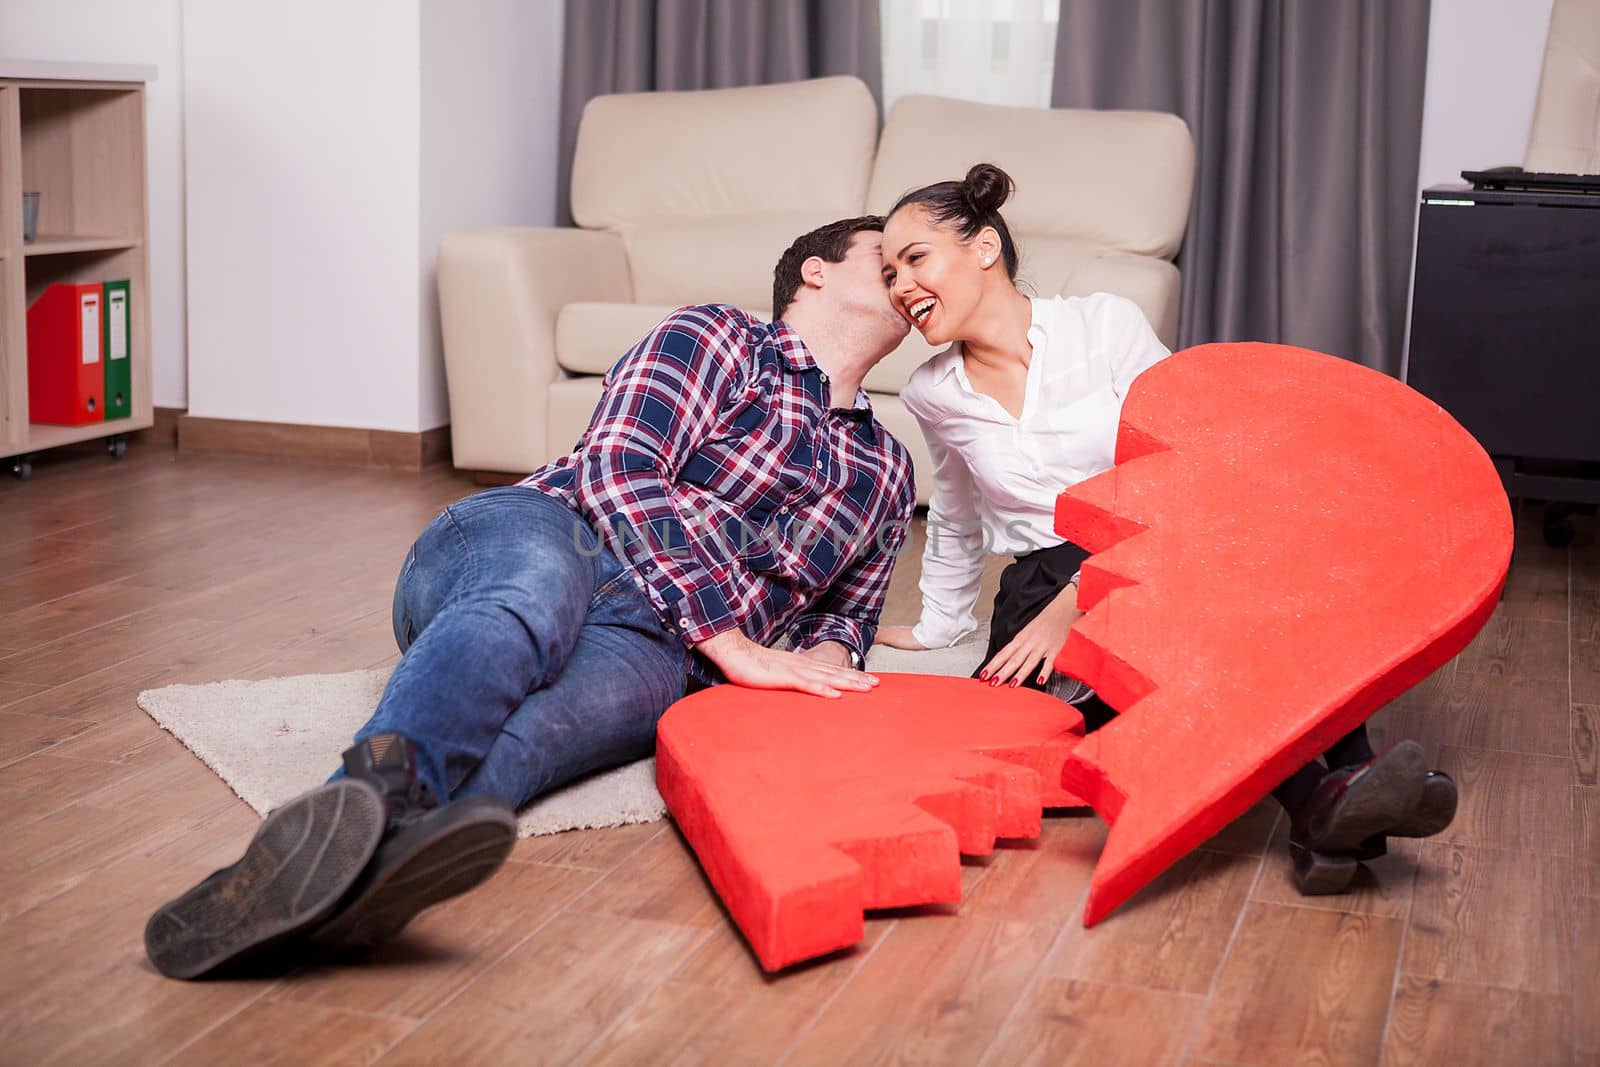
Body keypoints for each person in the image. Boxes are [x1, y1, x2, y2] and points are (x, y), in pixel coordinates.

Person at [145, 216, 917, 979]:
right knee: (527, 605)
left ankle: (328, 885)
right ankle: (369, 787)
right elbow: (619, 465)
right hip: (553, 532)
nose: (911, 275)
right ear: (815, 270)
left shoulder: (888, 469)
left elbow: (845, 613)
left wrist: (822, 661)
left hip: (660, 644)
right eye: (891, 256)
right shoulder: (722, 336)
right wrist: (732, 640)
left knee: (539, 735)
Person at [873, 163, 1458, 895]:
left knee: (1228, 605)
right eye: (889, 272)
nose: (900, 286)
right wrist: (937, 626)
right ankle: (1350, 796)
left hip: (1149, 547)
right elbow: (955, 513)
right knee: (1181, 652)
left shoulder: (1104, 323)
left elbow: (1189, 458)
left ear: (984, 247)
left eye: (914, 258)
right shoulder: (933, 392)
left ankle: (1334, 794)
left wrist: (1088, 590)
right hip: (1038, 587)